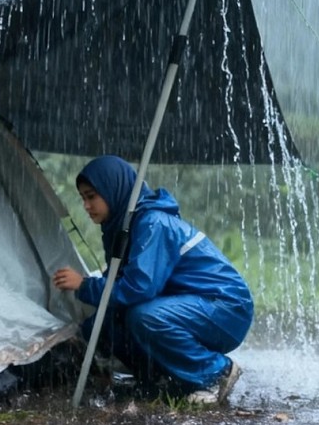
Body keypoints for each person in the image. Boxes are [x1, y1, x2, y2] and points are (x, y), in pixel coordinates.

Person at [52, 155, 252, 406]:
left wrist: (84, 285)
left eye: (92, 196)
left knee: (144, 316)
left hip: (227, 307)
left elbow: (138, 288)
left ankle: (215, 373)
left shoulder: (152, 222)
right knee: (102, 325)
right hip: (190, 305)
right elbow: (121, 282)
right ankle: (162, 380)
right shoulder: (122, 226)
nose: (86, 206)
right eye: (83, 198)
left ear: (113, 189)